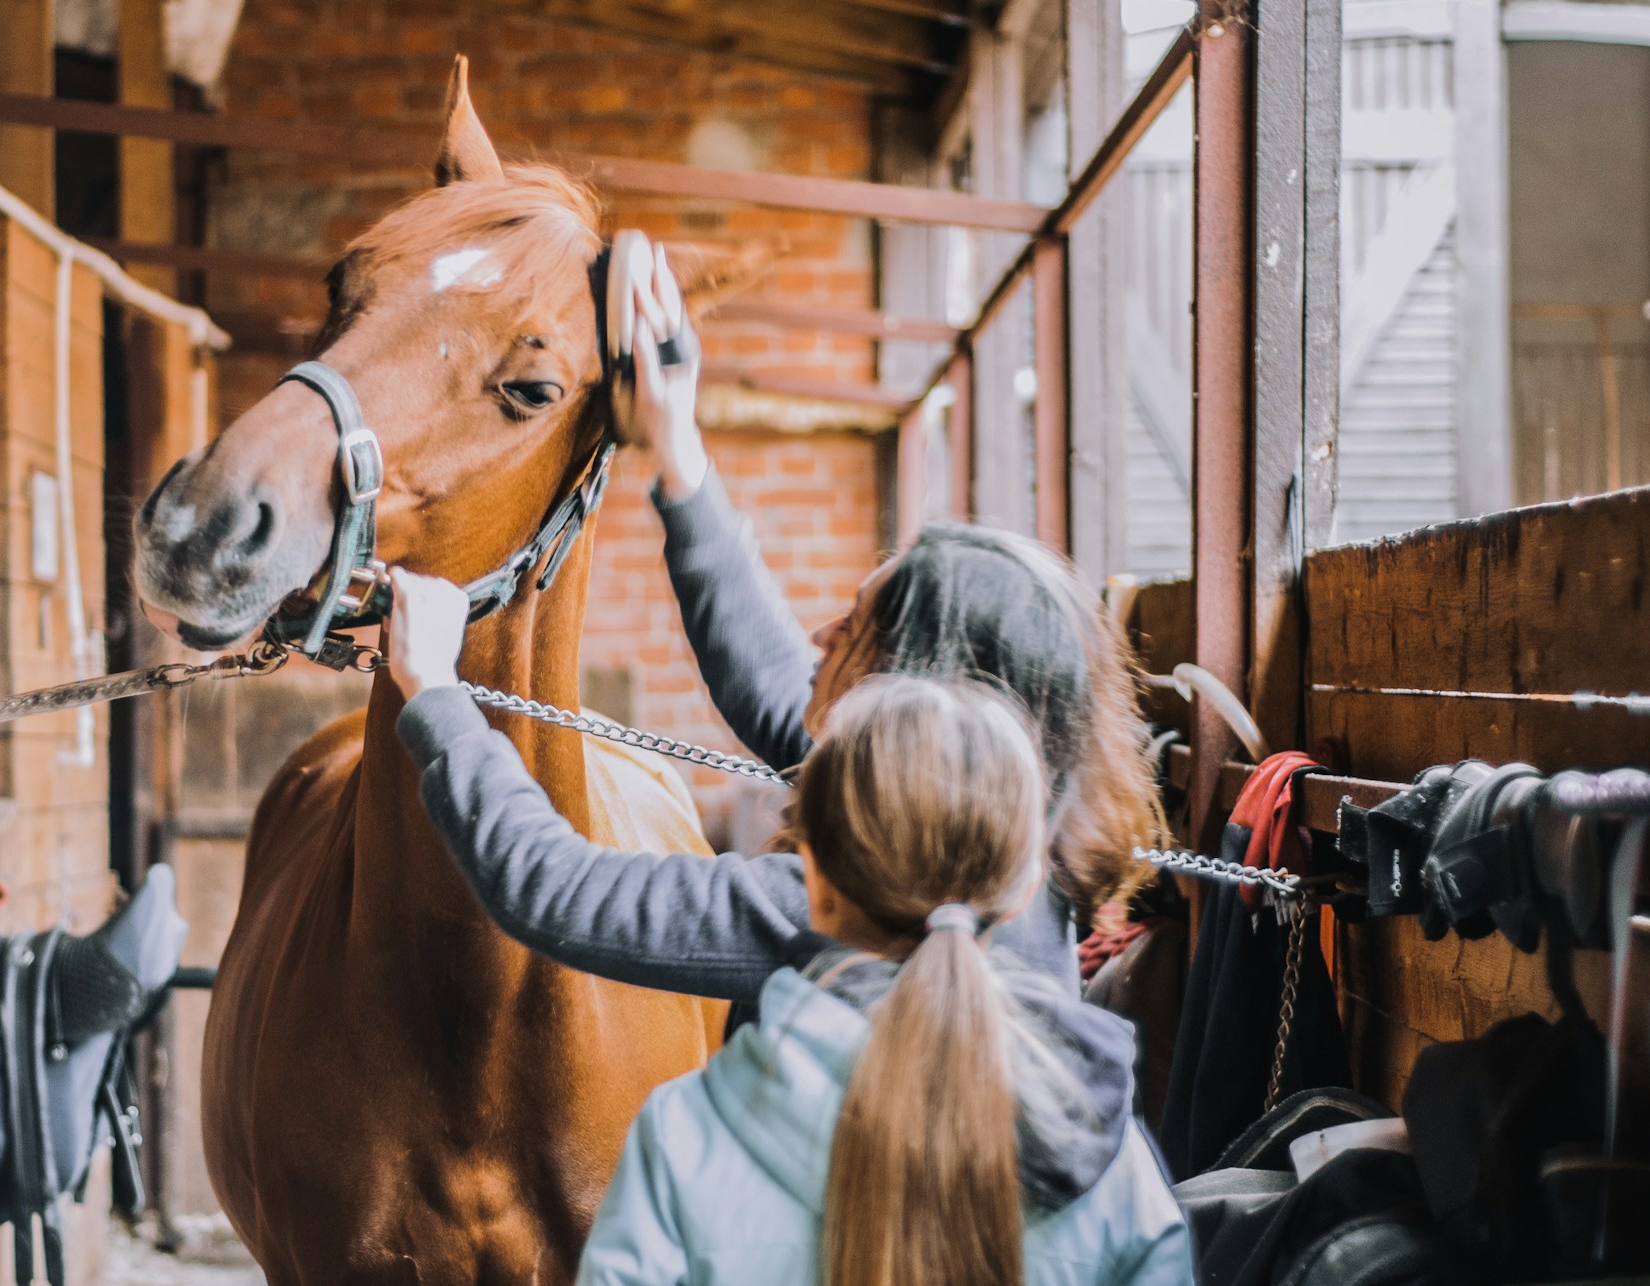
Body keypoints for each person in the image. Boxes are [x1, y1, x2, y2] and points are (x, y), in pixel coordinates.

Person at [389, 242, 1160, 1012]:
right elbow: (773, 686)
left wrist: (435, 695)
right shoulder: (1002, 848)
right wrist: (677, 449)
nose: (819, 637)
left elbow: (558, 892)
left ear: (922, 698)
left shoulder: (852, 904)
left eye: (856, 631)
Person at [390, 612, 1189, 1282]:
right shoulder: (1103, 1143)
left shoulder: (685, 1135)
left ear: (808, 874)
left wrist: (432, 687)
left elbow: (551, 882)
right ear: (1021, 890)